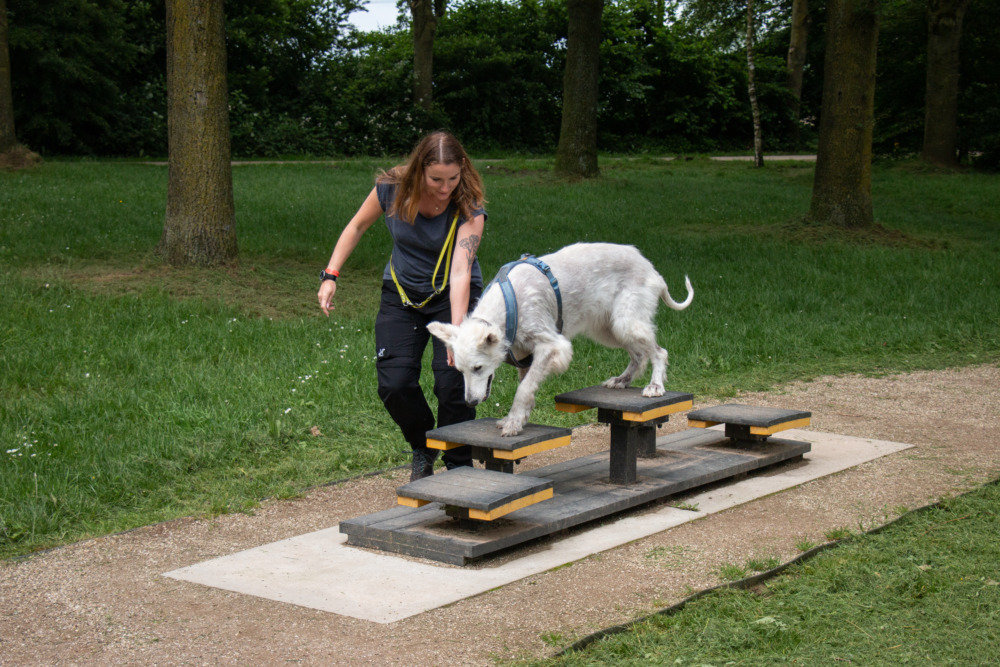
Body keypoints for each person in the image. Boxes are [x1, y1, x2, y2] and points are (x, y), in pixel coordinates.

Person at [317, 131, 487, 481]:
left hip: (452, 296)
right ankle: (423, 446)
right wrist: (331, 274)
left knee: (453, 382)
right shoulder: (391, 188)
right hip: (402, 294)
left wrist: (456, 335)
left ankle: (457, 461)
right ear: (419, 170)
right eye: (436, 179)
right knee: (394, 383)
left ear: (463, 170)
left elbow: (460, 272)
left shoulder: (468, 205)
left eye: (452, 178)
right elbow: (357, 225)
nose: (445, 188)